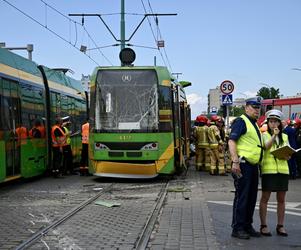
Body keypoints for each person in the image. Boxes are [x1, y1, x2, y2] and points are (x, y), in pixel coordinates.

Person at [228, 96, 263, 239]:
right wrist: (235, 161)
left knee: (251, 198)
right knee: (242, 197)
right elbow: (232, 141)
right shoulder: (241, 121)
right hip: (243, 164)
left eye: (258, 108)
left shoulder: (253, 123)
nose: (257, 110)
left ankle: (247, 225)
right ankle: (238, 228)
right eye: (254, 107)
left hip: (253, 166)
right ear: (246, 107)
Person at [259, 109, 290, 237]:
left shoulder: (285, 136)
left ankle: (280, 225)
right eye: (271, 122)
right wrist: (274, 136)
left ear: (279, 124)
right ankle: (263, 225)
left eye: (276, 122)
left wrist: (288, 155)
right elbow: (266, 147)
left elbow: (288, 150)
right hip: (268, 171)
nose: (273, 124)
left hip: (283, 171)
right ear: (268, 123)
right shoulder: (264, 135)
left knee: (281, 199)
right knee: (265, 198)